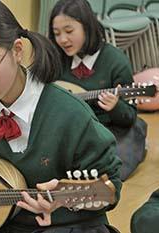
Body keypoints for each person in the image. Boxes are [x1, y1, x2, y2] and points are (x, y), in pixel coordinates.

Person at [0, 0, 122, 232]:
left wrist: (60, 200)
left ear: (17, 50)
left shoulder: (70, 113)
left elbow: (111, 189)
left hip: (66, 223)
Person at [48, 0, 147, 181]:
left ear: (87, 27)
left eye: (69, 31)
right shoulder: (58, 58)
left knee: (109, 169)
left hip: (108, 128)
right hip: (71, 128)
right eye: (57, 33)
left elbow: (129, 116)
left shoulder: (116, 61)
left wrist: (115, 106)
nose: (62, 39)